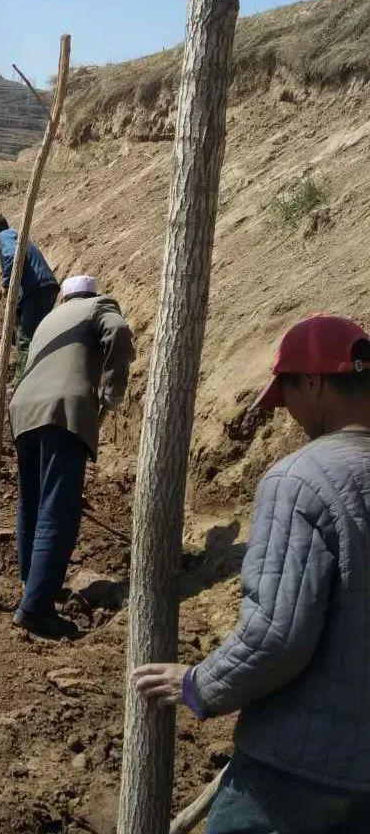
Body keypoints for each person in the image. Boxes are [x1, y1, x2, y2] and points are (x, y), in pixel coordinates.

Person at [133, 315, 370, 834]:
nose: (289, 417)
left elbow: (278, 637)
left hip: (297, 775)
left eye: (289, 396)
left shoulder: (301, 480)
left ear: (315, 383)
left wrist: (199, 685)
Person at [7, 275, 134, 638]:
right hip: (63, 412)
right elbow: (120, 331)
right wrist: (112, 388)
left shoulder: (50, 318)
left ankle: (32, 586)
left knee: (31, 504)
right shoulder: (98, 305)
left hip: (24, 410)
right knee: (57, 510)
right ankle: (36, 609)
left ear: (64, 296)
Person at [0, 212, 59, 346]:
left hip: (37, 289)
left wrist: (6, 283)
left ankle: (25, 366)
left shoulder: (4, 235)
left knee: (26, 339)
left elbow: (12, 257)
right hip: (45, 287)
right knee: (30, 329)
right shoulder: (15, 235)